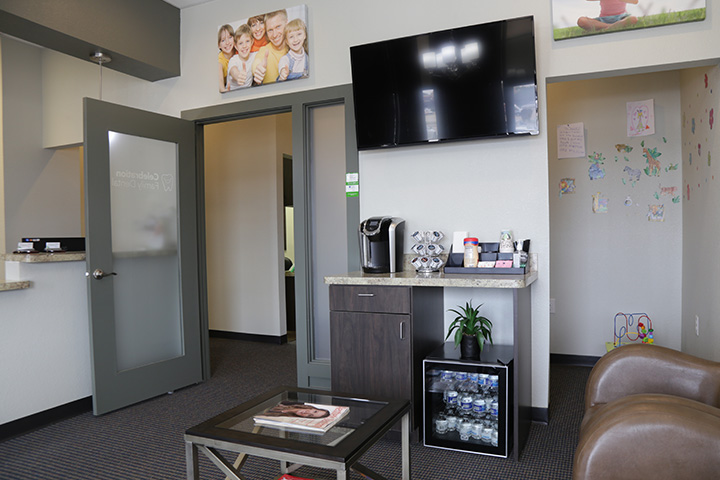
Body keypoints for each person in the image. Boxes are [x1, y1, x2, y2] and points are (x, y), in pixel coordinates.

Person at [251, 10, 289, 85]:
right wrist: (257, 70)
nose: (274, 35)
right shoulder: (264, 50)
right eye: (270, 30)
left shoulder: (295, 45)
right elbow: (257, 62)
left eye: (278, 27)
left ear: (286, 23)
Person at [226, 24, 256, 90]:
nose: (244, 46)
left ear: (252, 42)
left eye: (247, 41)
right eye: (240, 43)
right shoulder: (233, 60)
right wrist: (238, 76)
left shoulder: (254, 56)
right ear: (236, 46)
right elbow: (233, 70)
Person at [217, 24, 235, 92]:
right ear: (219, 45)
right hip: (226, 86)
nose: (227, 42)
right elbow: (220, 79)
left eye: (230, 37)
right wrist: (223, 90)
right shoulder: (220, 60)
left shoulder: (238, 50)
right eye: (223, 40)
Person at [262, 401, 330, 418]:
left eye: (310, 415)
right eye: (315, 411)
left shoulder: (288, 417)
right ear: (312, 408)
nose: (307, 413)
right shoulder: (295, 403)